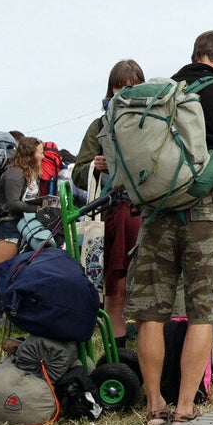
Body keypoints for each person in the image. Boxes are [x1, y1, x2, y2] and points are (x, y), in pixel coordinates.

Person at [126, 30, 213, 425]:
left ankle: (153, 407)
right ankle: (185, 406)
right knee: (203, 312)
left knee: (151, 312)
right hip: (205, 214)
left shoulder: (159, 95)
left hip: (154, 211)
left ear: (195, 55)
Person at [72, 59, 146, 349]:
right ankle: (118, 358)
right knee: (115, 290)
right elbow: (79, 173)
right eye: (120, 86)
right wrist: (95, 165)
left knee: (147, 294)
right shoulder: (100, 125)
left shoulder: (154, 121)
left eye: (132, 86)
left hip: (149, 214)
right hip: (114, 214)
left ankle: (148, 361)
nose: (125, 92)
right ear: (111, 88)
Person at [0, 136, 44, 334]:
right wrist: (39, 209)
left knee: (12, 271)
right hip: (8, 226)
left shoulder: (26, 173)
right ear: (30, 153)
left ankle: (7, 316)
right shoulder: (14, 173)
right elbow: (13, 204)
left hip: (19, 225)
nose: (43, 156)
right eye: (40, 152)